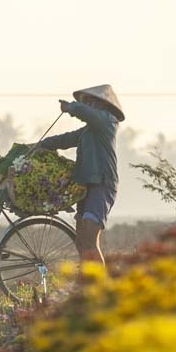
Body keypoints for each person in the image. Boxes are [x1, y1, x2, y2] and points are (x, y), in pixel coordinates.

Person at [38, 84, 123, 266]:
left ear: (101, 104)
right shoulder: (87, 132)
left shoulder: (108, 121)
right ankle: (87, 285)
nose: (87, 106)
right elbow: (64, 139)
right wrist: (39, 145)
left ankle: (99, 287)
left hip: (102, 184)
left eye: (89, 102)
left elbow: (88, 114)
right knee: (81, 242)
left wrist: (71, 107)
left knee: (91, 241)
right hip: (86, 186)